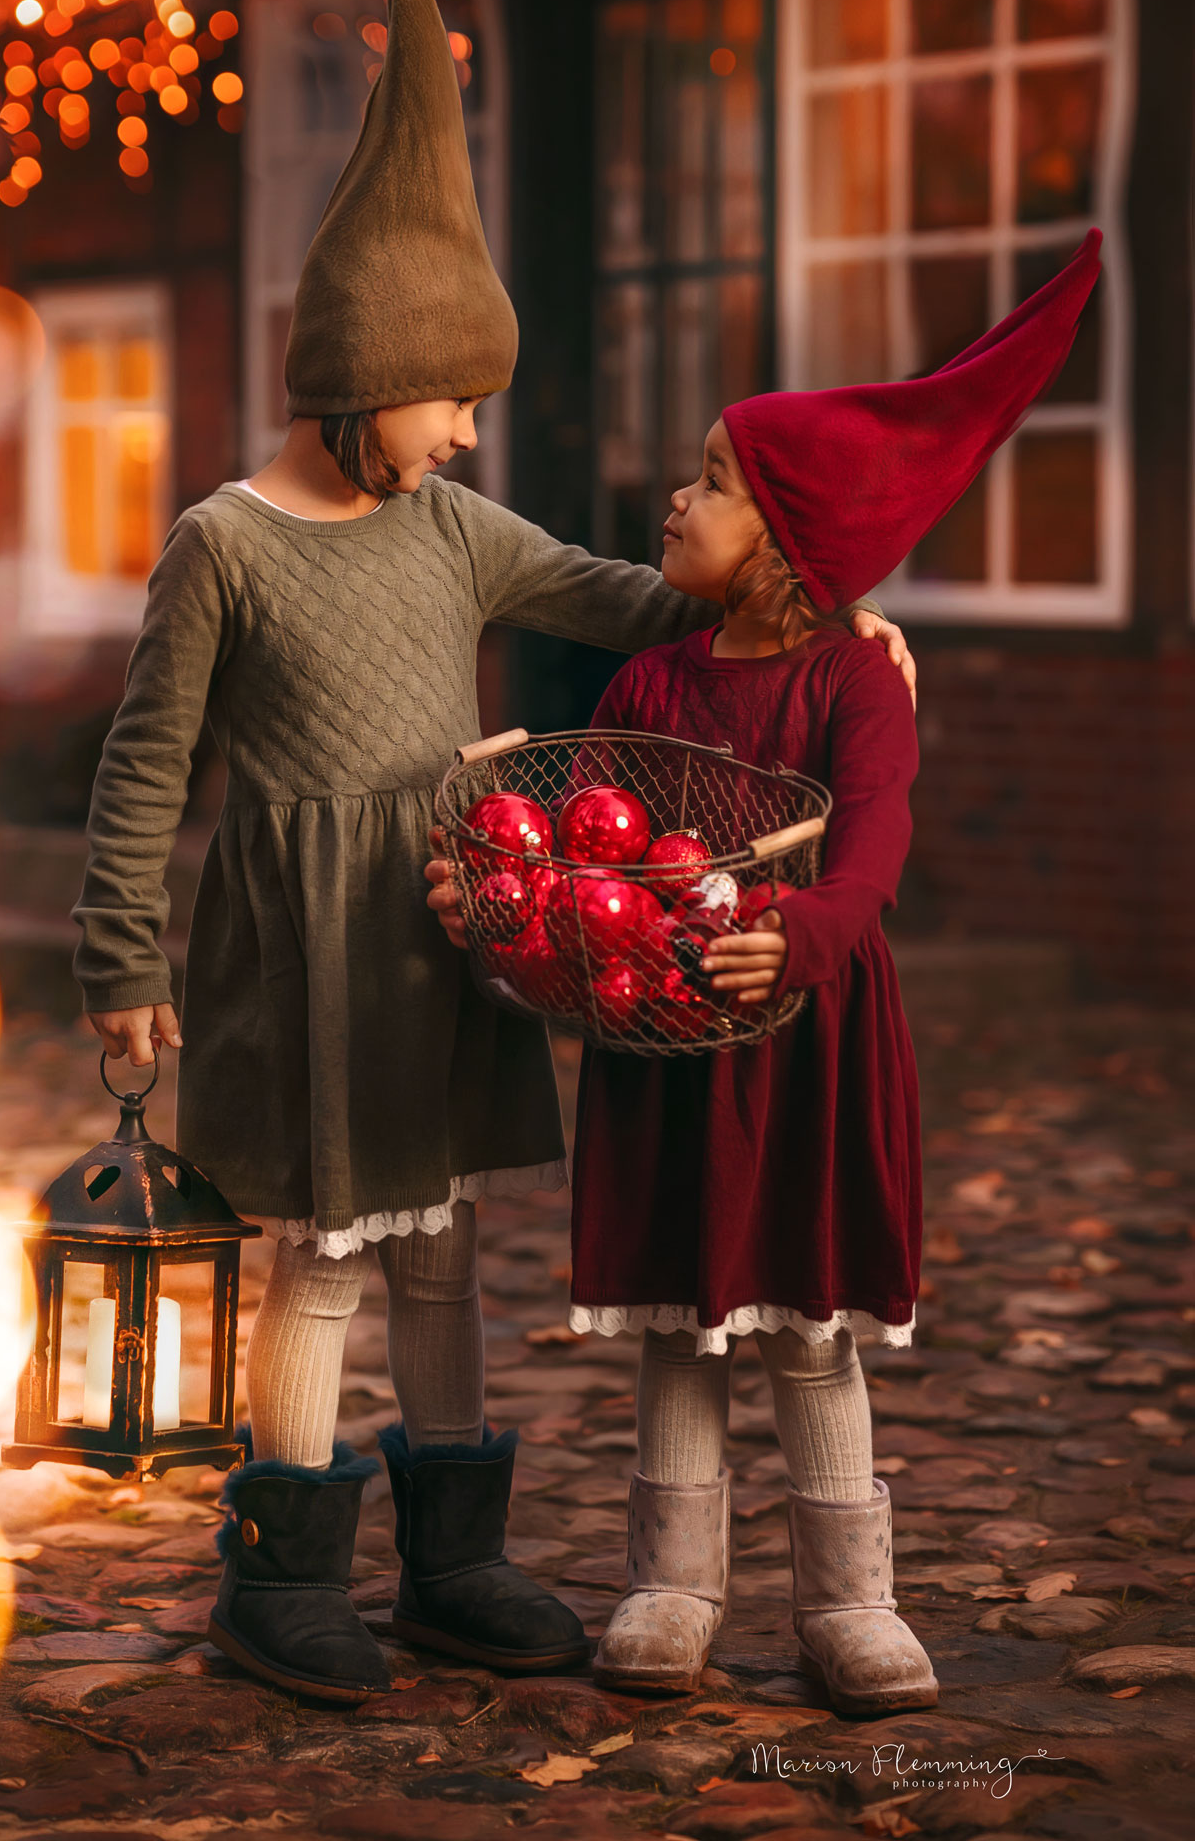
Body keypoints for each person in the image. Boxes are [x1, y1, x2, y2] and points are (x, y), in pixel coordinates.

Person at [74, 0, 915, 1707]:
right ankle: (285, 1557)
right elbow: (150, 763)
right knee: (319, 1254)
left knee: (441, 1237)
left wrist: (818, 606)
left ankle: (451, 1554)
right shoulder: (224, 545)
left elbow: (630, 597)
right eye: (452, 399)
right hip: (297, 943)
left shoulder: (454, 530)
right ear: (371, 381)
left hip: (453, 919)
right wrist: (116, 958)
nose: (467, 433)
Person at [428, 230, 1100, 1713]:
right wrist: (500, 896)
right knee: (681, 1322)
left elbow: (872, 845)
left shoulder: (853, 676)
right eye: (693, 472)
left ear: (791, 533)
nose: (678, 495)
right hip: (671, 1042)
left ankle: (850, 1602)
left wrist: (799, 934)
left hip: (798, 1040)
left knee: (801, 1326)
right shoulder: (648, 683)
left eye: (717, 481)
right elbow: (578, 848)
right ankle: (672, 1582)